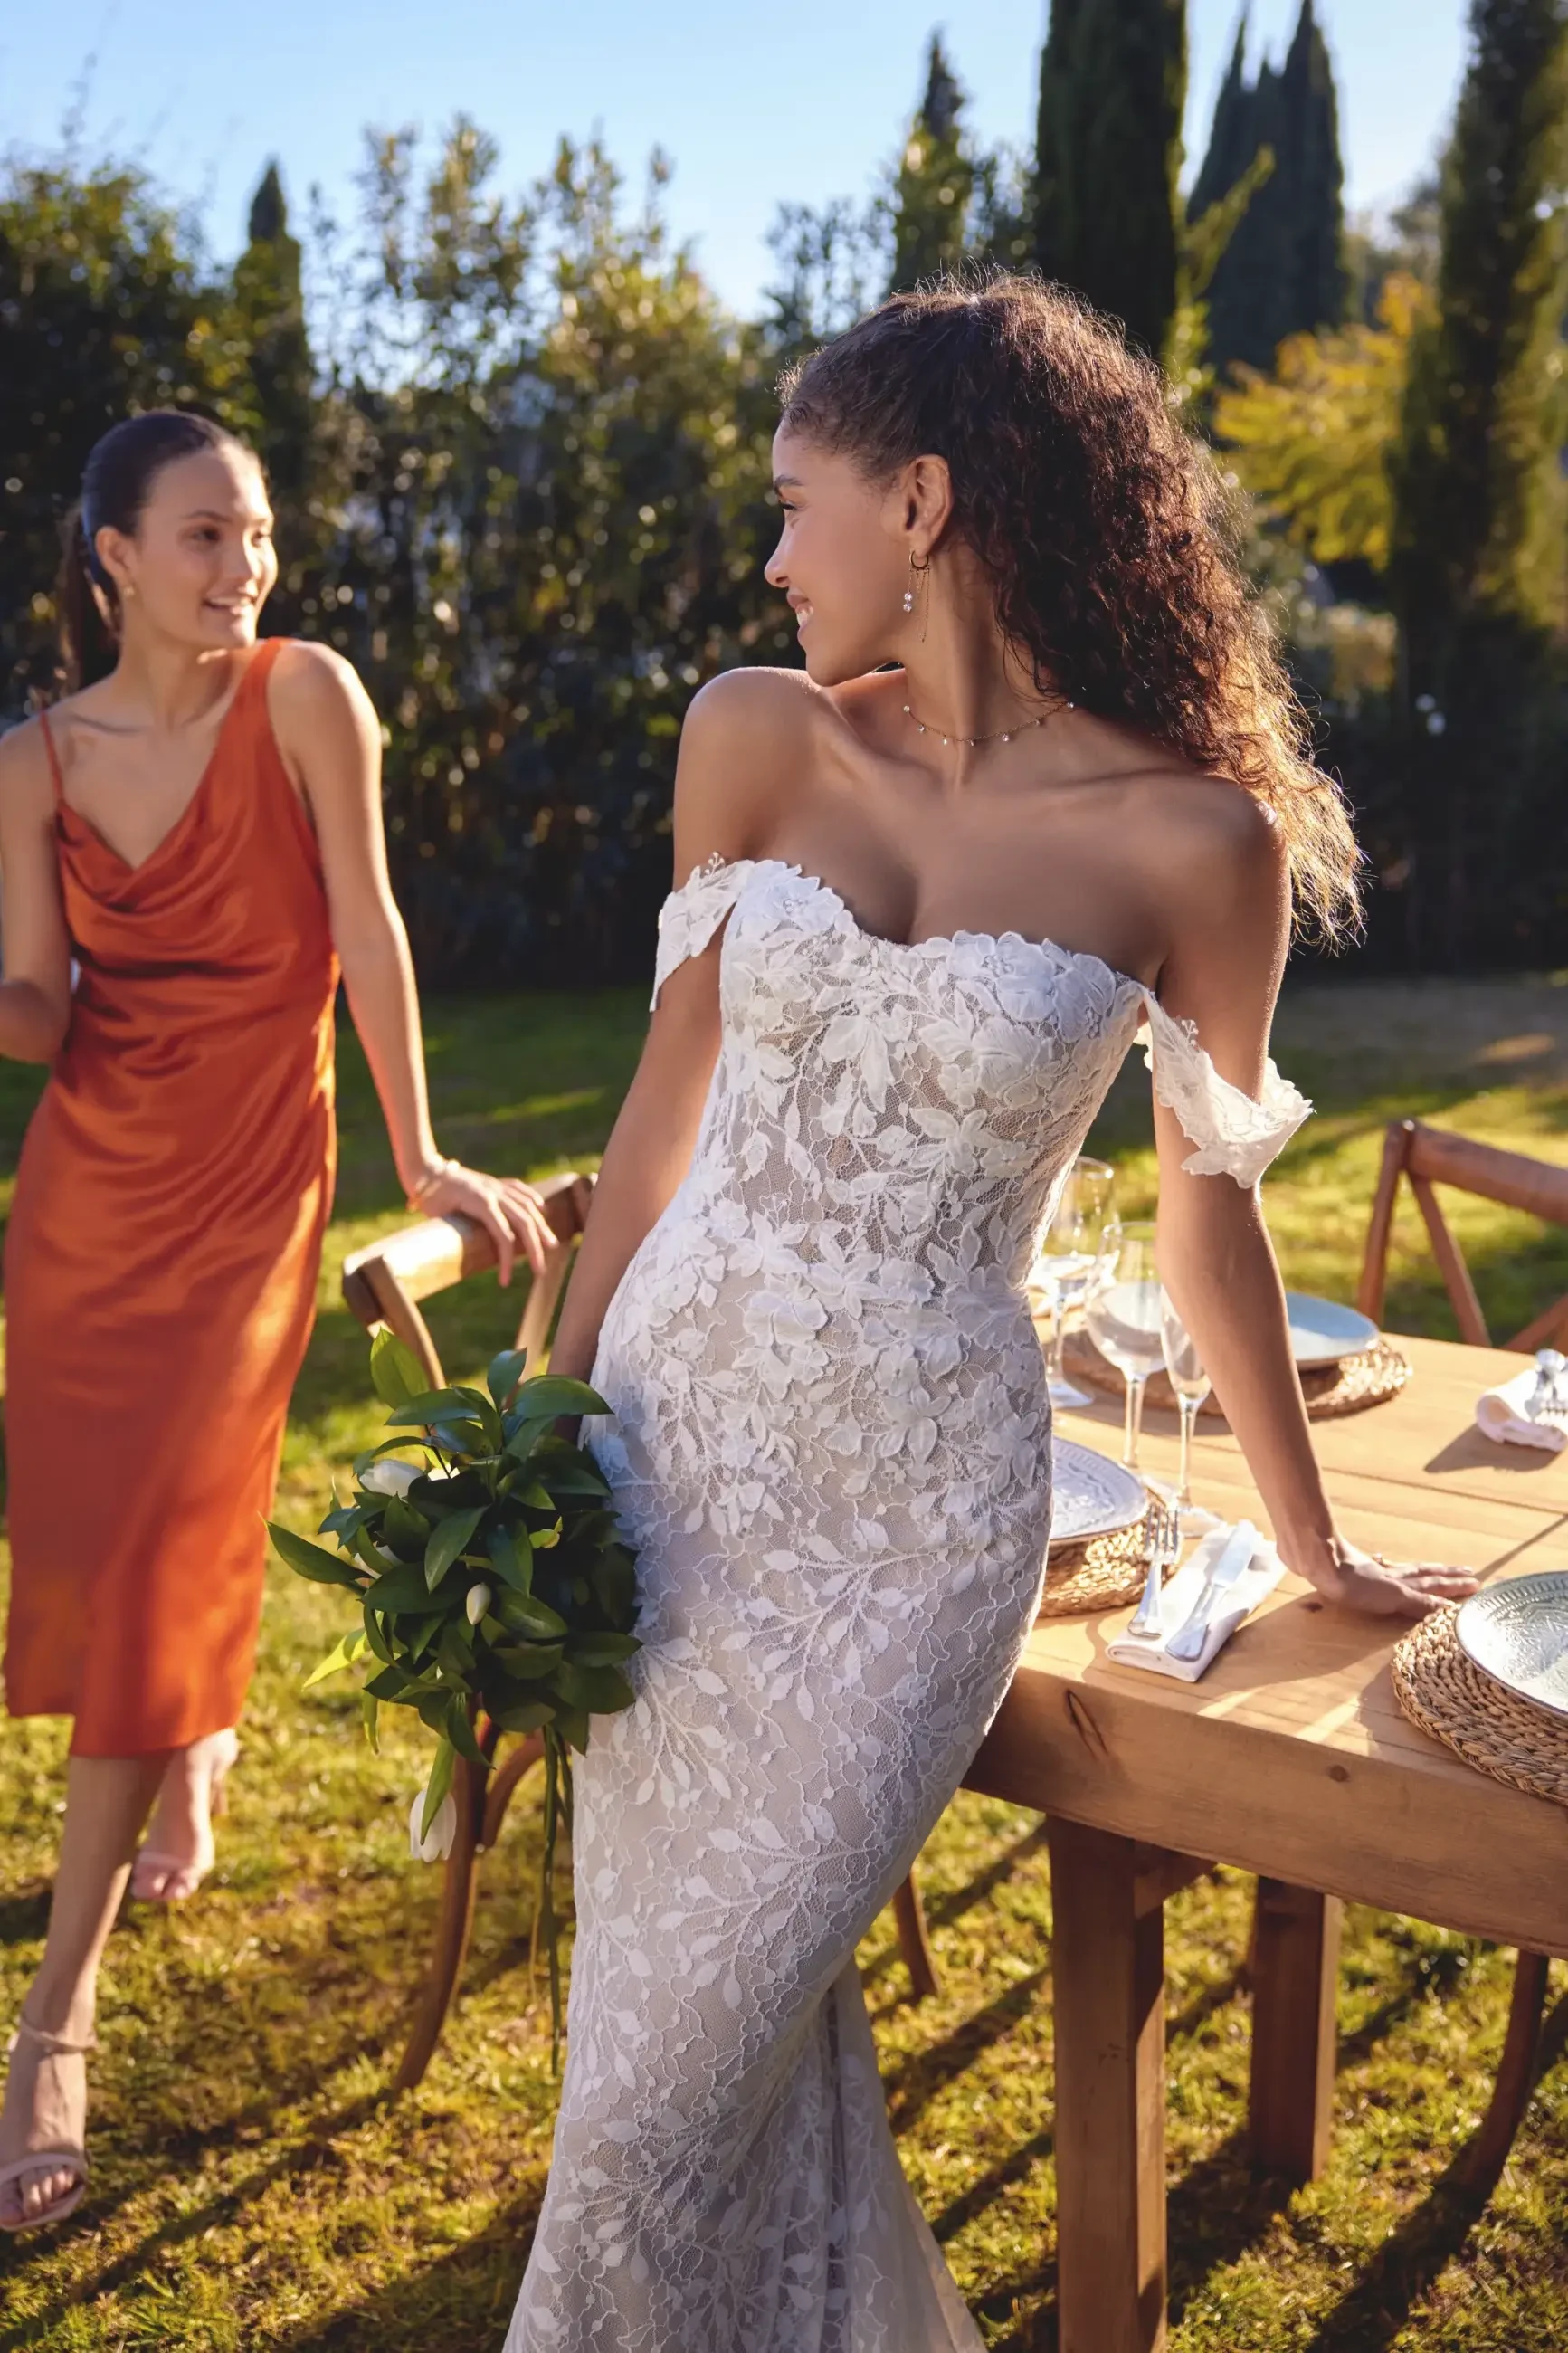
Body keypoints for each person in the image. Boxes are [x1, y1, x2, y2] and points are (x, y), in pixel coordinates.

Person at [503, 278, 1477, 2350]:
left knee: (663, 2099)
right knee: (674, 2054)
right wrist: (536, 1416)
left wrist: (1306, 1546)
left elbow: (1214, 1238)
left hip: (909, 1534)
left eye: (795, 502)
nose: (771, 556)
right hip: (671, 1467)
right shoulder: (748, 734)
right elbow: (661, 1096)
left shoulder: (1195, 844)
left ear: (921, 499)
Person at [0, 409, 556, 2232]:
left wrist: (421, 1149)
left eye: (255, 532)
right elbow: (36, 1008)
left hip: (254, 1180)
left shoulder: (308, 695)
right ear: (110, 559)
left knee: (166, 1524)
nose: (244, 562)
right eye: (203, 535)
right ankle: (198, 1747)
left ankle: (53, 2020)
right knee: (106, 1531)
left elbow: (370, 928)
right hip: (88, 1197)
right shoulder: (30, 761)